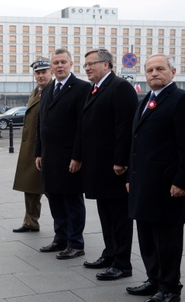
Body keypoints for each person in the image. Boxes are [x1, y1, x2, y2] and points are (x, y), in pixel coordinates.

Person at [125, 54, 185, 302]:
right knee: (147, 238)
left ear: (173, 72)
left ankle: (169, 289)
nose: (154, 73)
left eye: (160, 69)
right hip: (143, 185)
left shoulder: (182, 100)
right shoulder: (145, 101)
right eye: (150, 70)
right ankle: (153, 279)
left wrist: (184, 182)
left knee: (167, 241)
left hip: (168, 186)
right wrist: (131, 176)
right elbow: (137, 143)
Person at [81, 48, 136, 281]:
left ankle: (122, 263)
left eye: (91, 64)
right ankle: (110, 253)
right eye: (85, 65)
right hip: (98, 165)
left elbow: (125, 127)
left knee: (119, 216)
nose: (87, 68)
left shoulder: (120, 86)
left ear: (106, 65)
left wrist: (121, 160)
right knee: (105, 213)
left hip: (115, 166)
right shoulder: (96, 88)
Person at [34, 48, 91, 259]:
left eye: (63, 62)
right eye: (56, 62)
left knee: (72, 201)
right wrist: (38, 152)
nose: (59, 66)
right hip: (49, 157)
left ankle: (76, 243)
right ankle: (60, 239)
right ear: (51, 66)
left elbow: (82, 126)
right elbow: (42, 123)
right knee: (55, 199)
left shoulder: (82, 88)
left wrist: (78, 156)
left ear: (71, 65)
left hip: (69, 158)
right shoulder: (48, 89)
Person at [12, 57, 52, 233]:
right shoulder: (36, 91)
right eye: (38, 73)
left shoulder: (53, 91)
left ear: (50, 73)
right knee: (30, 188)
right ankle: (30, 222)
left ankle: (67, 228)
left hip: (46, 149)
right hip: (31, 149)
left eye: (44, 72)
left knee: (54, 192)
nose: (41, 76)